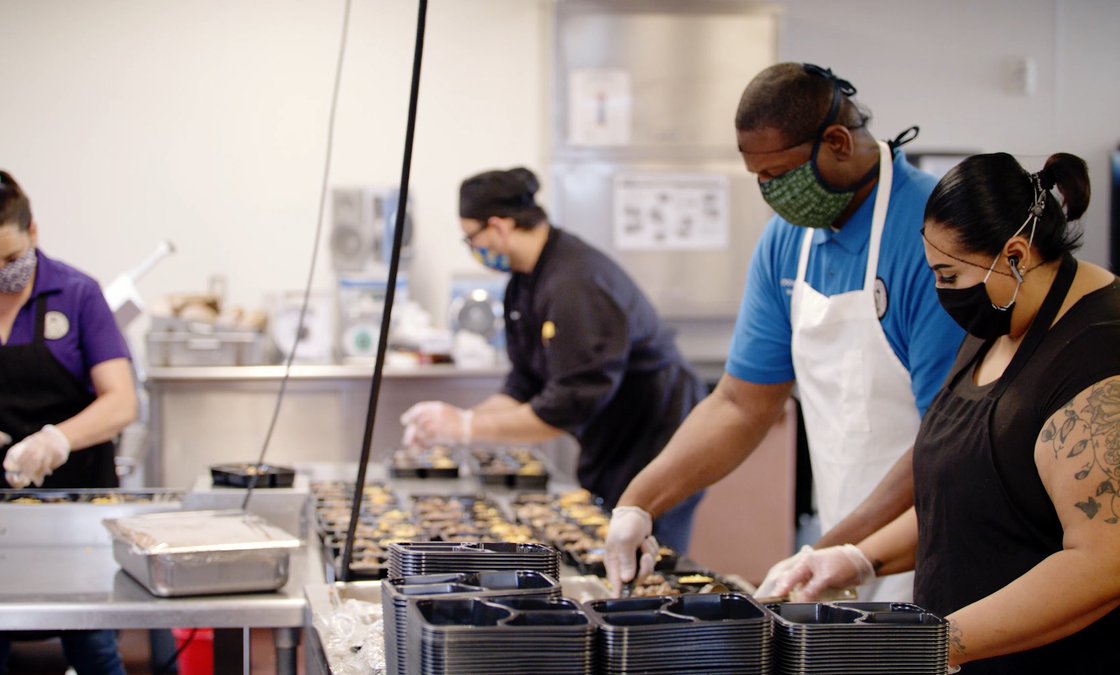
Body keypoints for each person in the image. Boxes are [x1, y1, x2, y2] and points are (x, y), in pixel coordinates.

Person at [603, 62, 965, 600]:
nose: (770, 192)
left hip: (935, 539)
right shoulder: (787, 242)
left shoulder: (935, 236)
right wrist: (639, 503)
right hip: (842, 534)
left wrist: (825, 554)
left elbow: (947, 442)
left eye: (779, 175)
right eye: (759, 178)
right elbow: (740, 404)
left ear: (838, 142)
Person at [765, 151, 1120, 672]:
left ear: (1016, 255)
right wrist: (859, 559)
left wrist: (941, 642)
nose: (942, 293)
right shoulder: (999, 317)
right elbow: (966, 494)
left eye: (950, 275)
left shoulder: (1099, 356)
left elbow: (1104, 563)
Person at [400, 167, 708, 553]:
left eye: (471, 238)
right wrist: (454, 423)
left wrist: (466, 428)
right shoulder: (524, 283)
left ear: (498, 227)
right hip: (610, 440)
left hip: (655, 440)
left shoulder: (575, 284)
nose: (472, 248)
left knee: (644, 558)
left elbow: (568, 404)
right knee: (608, 543)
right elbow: (524, 384)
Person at [0, 170, 136, 674]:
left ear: (33, 231)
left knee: (93, 646)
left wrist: (57, 440)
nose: (0, 271)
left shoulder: (78, 294)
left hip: (72, 513)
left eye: (12, 258)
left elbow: (122, 402)